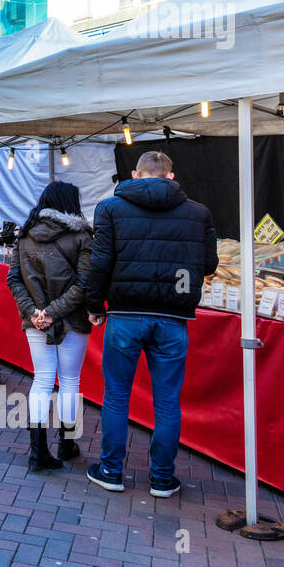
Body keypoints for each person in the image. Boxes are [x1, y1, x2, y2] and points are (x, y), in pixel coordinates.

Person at [84, 150, 217, 498]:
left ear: (134, 174)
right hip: (173, 318)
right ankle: (162, 477)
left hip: (125, 315)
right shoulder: (197, 212)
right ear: (171, 177)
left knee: (116, 396)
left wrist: (95, 305)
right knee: (168, 401)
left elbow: (100, 263)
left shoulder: (110, 208)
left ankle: (111, 469)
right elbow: (209, 264)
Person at [5, 181, 92, 471]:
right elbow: (84, 283)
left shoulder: (25, 234)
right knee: (69, 381)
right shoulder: (82, 235)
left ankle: (37, 452)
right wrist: (51, 313)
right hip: (70, 319)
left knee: (42, 380)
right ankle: (66, 444)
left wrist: (34, 313)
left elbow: (13, 279)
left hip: (37, 320)